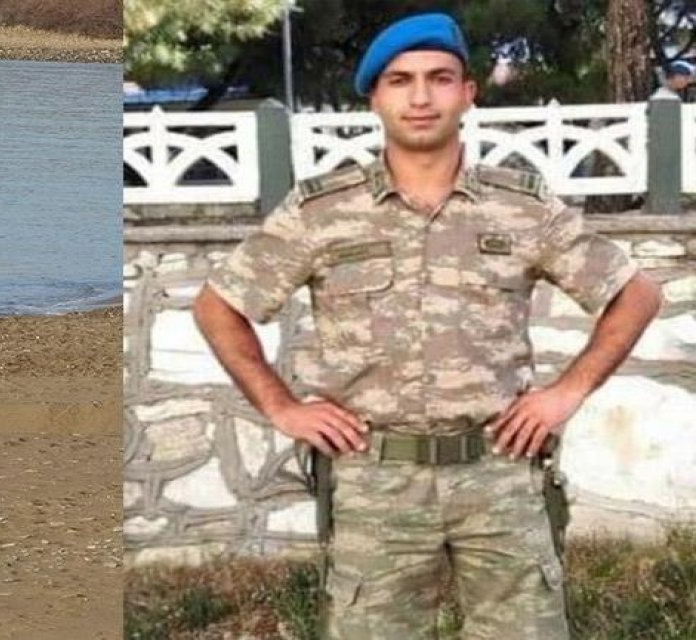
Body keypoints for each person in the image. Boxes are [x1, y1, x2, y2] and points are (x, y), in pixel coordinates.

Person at [192, 13, 661, 639]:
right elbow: (218, 306)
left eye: (439, 78)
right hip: (373, 478)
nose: (420, 97)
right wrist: (281, 407)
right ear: (375, 98)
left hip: (499, 472)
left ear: (467, 93)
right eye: (400, 80)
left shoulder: (520, 207)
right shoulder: (322, 212)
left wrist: (565, 393)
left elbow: (636, 294)